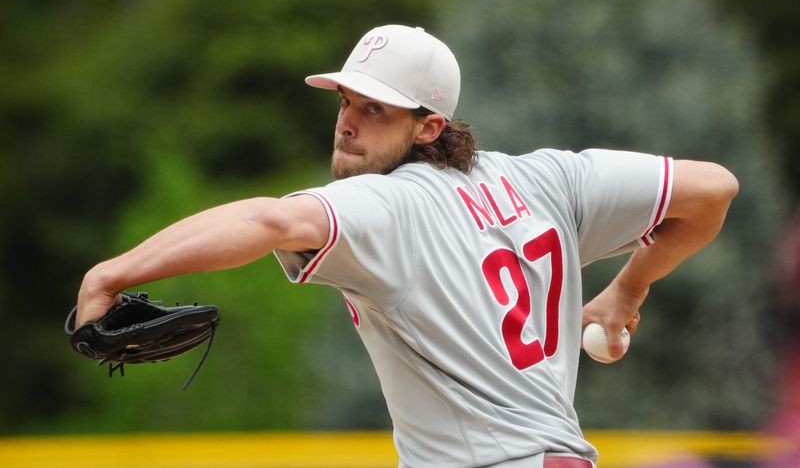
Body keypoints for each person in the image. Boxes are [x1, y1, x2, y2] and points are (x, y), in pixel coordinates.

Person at [75, 24, 739, 468]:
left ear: (429, 127)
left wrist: (113, 272)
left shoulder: (389, 204)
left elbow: (269, 223)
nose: (348, 124)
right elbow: (714, 189)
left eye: (375, 111)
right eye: (346, 102)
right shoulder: (549, 179)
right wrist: (628, 289)